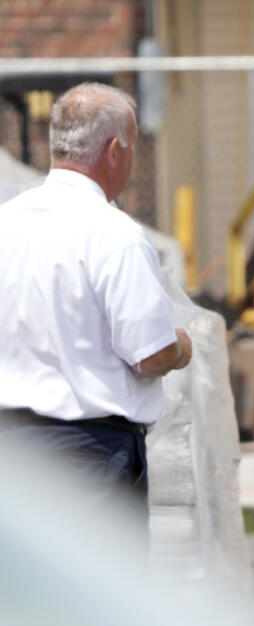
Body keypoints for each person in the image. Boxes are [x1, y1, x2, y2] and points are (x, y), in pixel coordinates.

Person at [0, 82, 192, 539]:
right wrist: (181, 347)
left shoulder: (7, 222)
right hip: (88, 453)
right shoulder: (114, 235)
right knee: (92, 606)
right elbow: (150, 355)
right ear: (113, 151)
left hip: (13, 450)